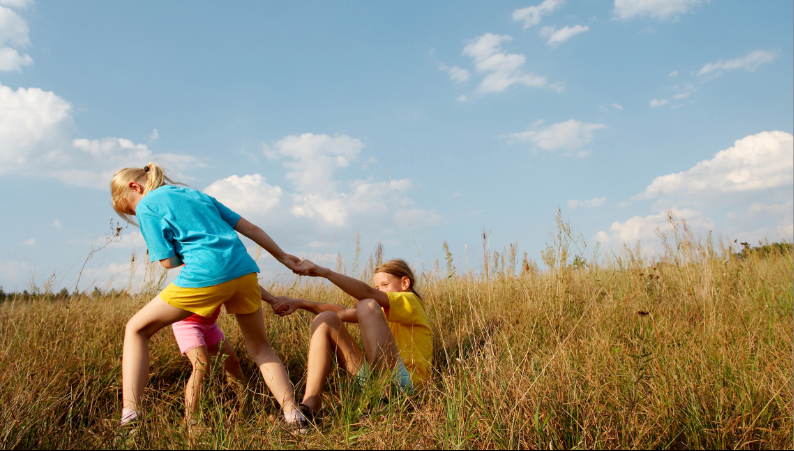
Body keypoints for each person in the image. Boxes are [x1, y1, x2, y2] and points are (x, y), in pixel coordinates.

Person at [110, 162, 306, 432]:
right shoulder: (196, 194)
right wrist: (283, 257)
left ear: (135, 187)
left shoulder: (147, 205)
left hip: (205, 273)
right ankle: (294, 417)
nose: (135, 212)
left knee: (136, 329)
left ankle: (131, 416)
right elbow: (250, 228)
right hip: (244, 270)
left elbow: (167, 261)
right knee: (261, 349)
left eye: (130, 208)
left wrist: (182, 251)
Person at [271, 258, 433, 419]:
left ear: (405, 283)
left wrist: (325, 272)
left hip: (407, 387)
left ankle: (387, 398)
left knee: (367, 304)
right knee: (325, 319)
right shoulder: (383, 312)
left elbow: (367, 295)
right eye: (377, 287)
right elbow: (341, 312)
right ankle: (309, 409)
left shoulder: (412, 302)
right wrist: (300, 303)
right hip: (376, 385)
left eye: (385, 285)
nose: (380, 291)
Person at [170, 305, 246, 429]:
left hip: (209, 324)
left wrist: (271, 299)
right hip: (187, 323)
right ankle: (192, 422)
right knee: (202, 365)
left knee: (232, 362)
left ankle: (246, 407)